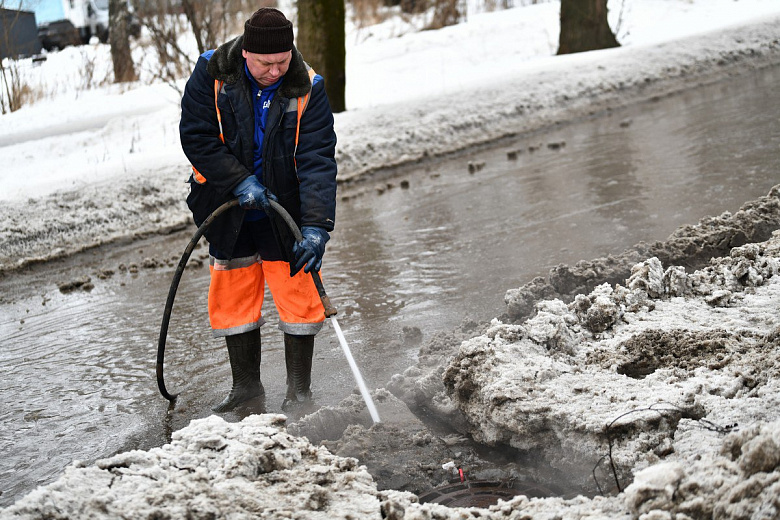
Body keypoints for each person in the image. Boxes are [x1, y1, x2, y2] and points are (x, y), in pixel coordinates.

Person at [179, 7, 337, 413]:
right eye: (266, 63)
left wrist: (318, 227)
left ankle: (298, 392)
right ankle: (246, 389)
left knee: (299, 293)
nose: (275, 71)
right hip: (226, 206)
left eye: (283, 61)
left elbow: (318, 160)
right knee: (232, 293)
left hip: (286, 208)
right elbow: (197, 137)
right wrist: (238, 181)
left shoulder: (308, 86)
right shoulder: (212, 72)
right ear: (246, 53)